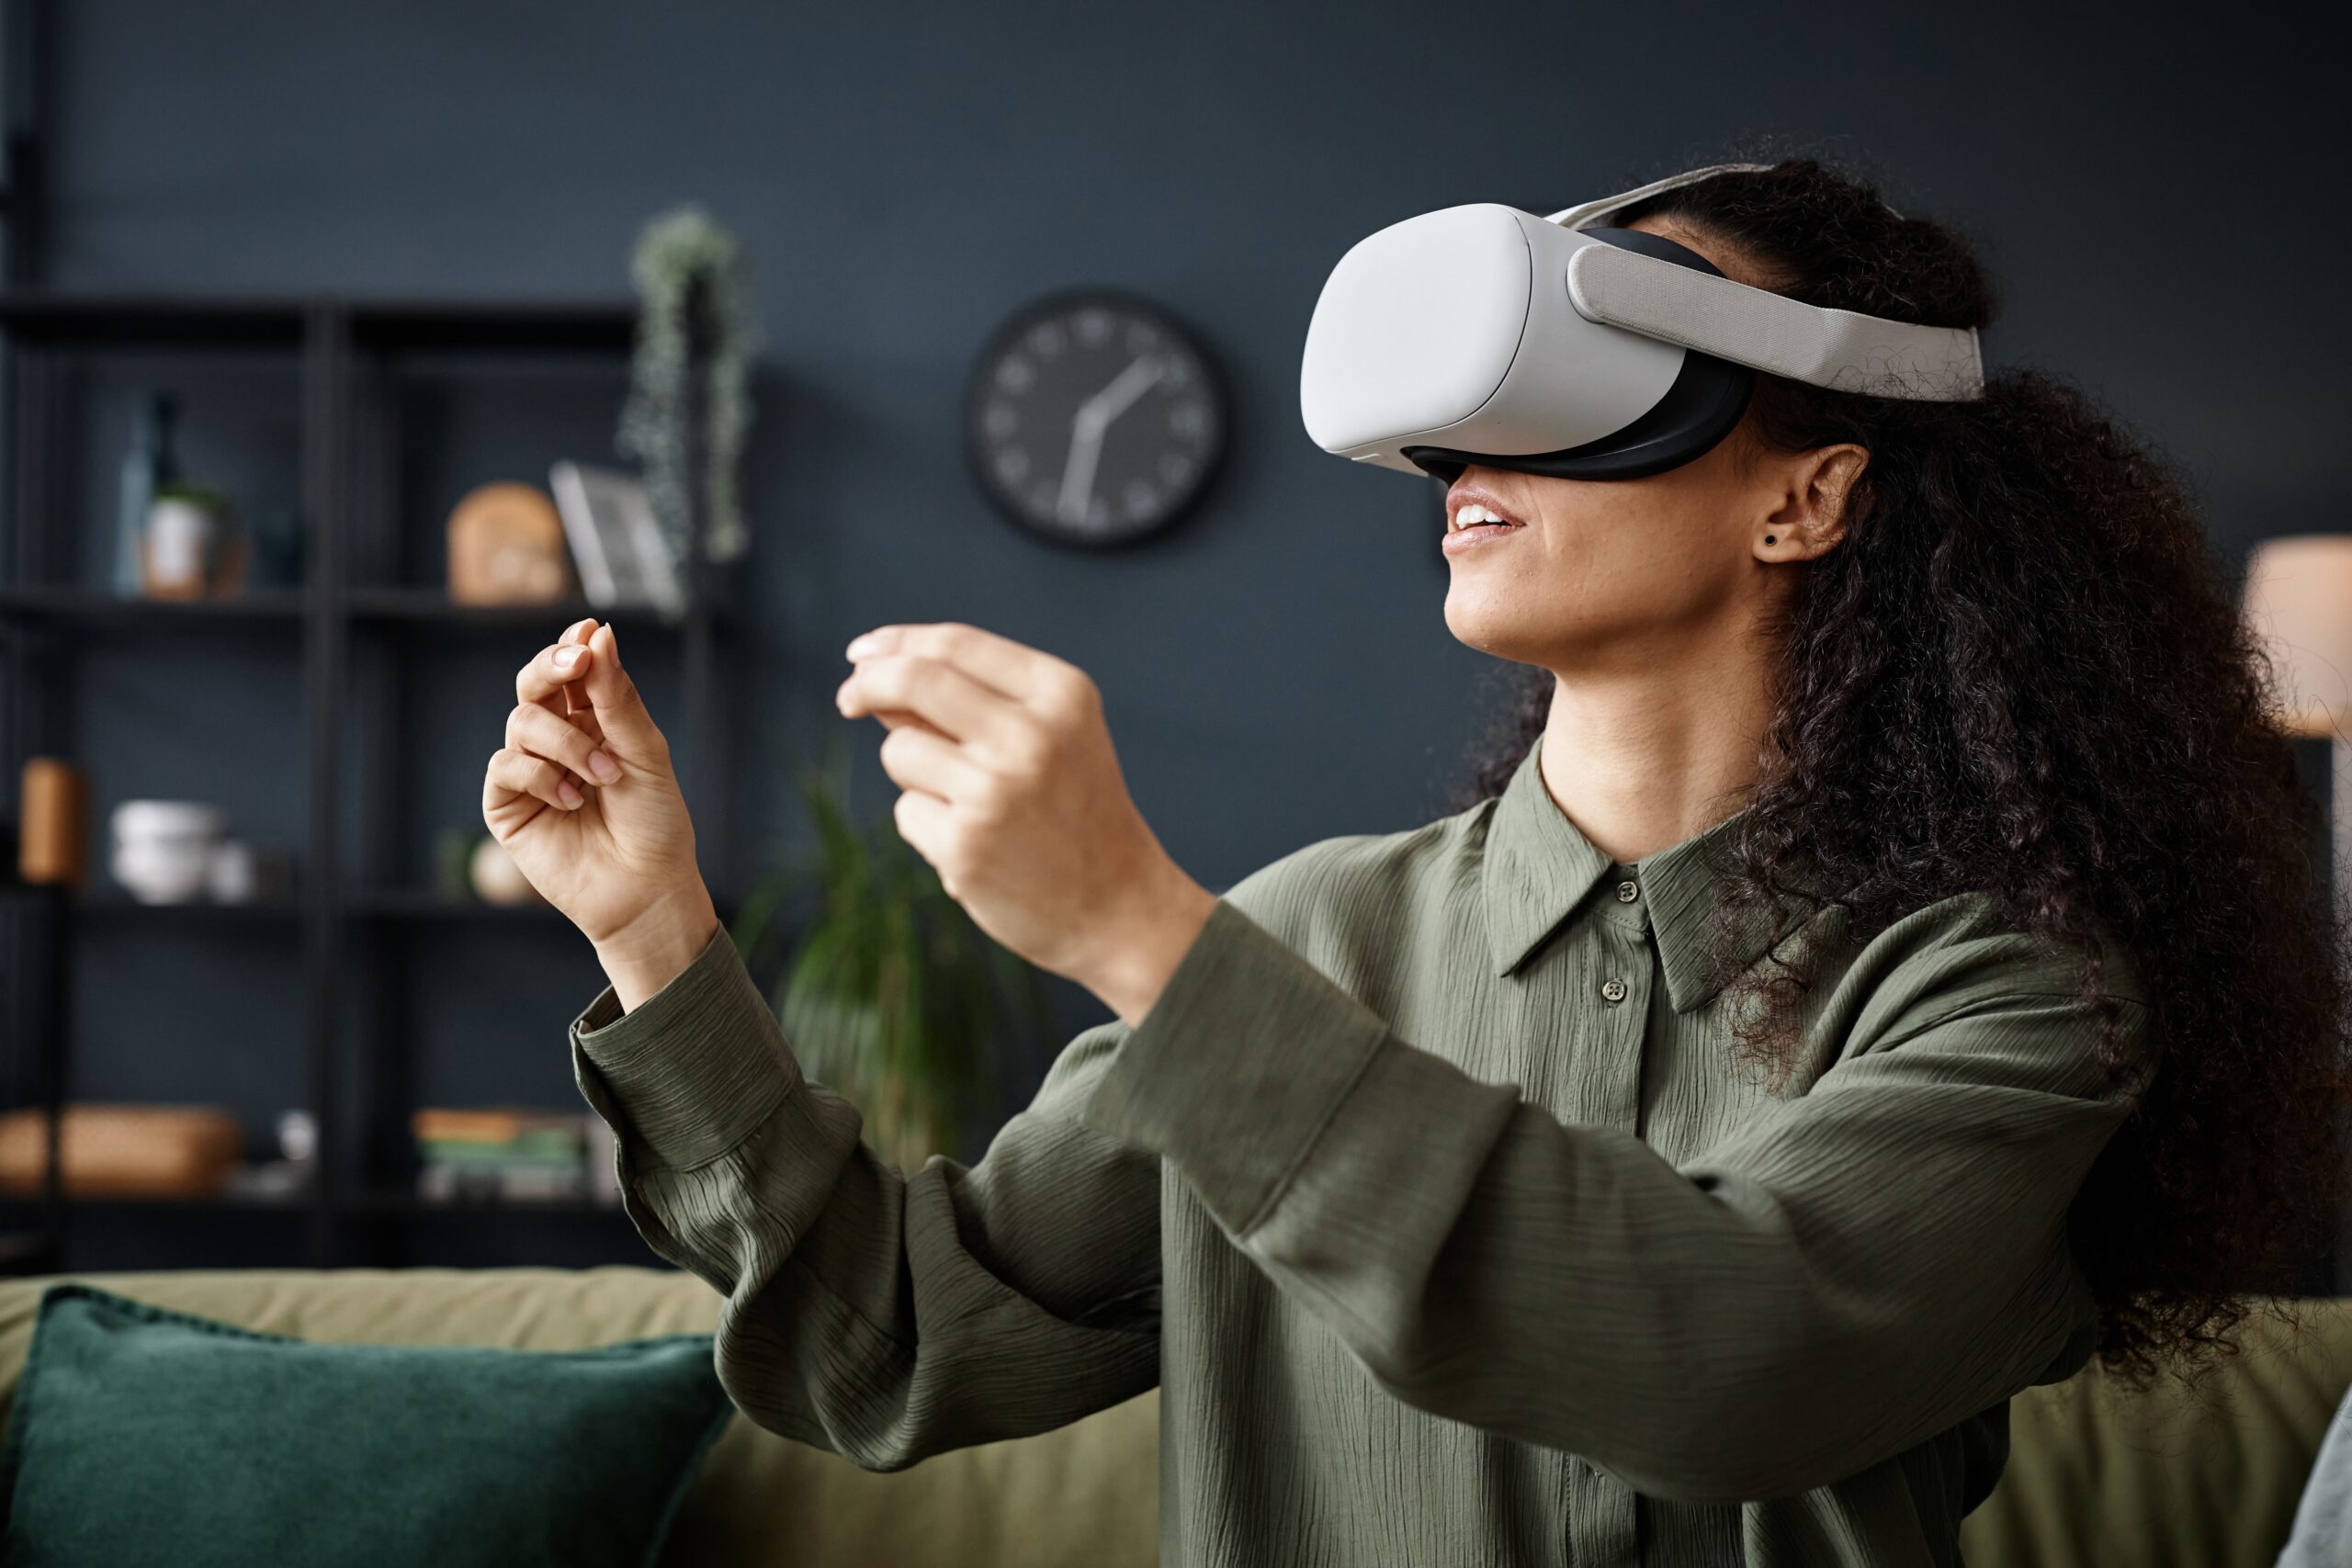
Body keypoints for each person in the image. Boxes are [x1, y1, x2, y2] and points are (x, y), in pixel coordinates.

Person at [480, 159, 2346, 1568]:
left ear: (1805, 490)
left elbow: (1729, 1361)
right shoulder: (1309, 934)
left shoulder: (2003, 991)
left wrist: (1140, 932)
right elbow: (881, 1345)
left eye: (1602, 361)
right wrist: (653, 931)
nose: (1467, 443)